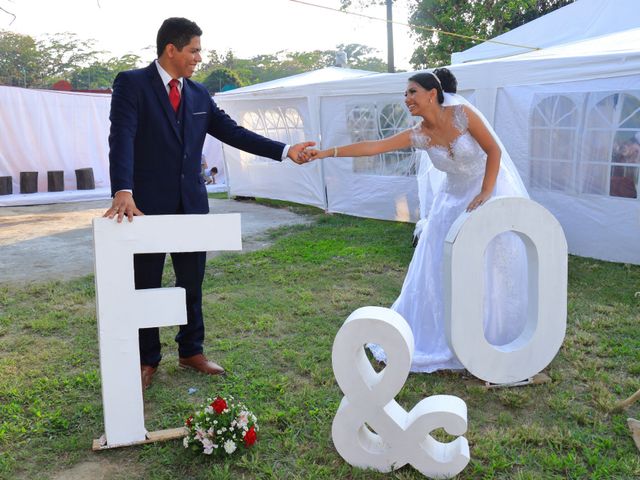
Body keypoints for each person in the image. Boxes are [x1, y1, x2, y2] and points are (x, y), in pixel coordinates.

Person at [103, 17, 314, 389]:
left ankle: (191, 350)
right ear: (172, 49)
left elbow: (234, 133)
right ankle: (146, 359)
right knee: (146, 283)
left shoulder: (200, 95)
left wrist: (284, 151)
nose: (199, 57)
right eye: (194, 50)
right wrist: (123, 188)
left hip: (192, 206)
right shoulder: (131, 84)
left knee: (192, 282)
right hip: (144, 208)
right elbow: (122, 136)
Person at [303, 68, 529, 373]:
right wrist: (327, 153)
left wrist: (488, 191)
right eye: (405, 94)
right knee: (439, 268)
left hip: (486, 192)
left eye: (412, 92)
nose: (407, 98)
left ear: (432, 94)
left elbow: (493, 150)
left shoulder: (463, 115)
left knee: (490, 265)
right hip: (451, 203)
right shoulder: (419, 134)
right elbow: (374, 146)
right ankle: (444, 335)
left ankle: (491, 332)